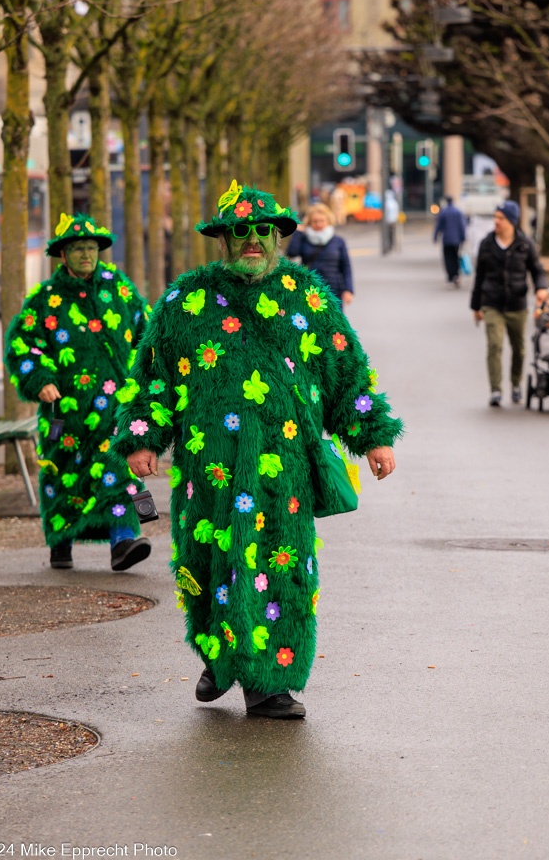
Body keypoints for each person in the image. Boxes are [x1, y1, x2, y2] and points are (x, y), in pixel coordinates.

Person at [112, 182, 402, 720]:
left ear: (277, 236)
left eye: (262, 230)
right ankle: (220, 658)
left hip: (282, 474)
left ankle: (271, 682)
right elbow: (149, 375)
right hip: (209, 473)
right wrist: (143, 438)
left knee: (282, 572)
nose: (252, 240)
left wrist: (374, 435)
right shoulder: (184, 300)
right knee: (209, 566)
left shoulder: (308, 296)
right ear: (223, 238)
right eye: (240, 231)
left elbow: (348, 372)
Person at [5, 213, 153, 571]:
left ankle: (123, 543)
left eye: (91, 247)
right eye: (77, 248)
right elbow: (22, 345)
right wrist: (40, 380)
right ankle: (61, 543)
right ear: (62, 255)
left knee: (117, 469)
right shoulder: (45, 298)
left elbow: (147, 332)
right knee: (64, 475)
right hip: (64, 411)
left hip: (115, 409)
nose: (86, 254)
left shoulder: (120, 289)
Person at [470, 201, 547, 407]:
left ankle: (515, 384)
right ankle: (495, 389)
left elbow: (537, 270)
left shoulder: (524, 244)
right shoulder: (486, 244)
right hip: (491, 303)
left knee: (519, 348)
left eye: (501, 218)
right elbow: (479, 277)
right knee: (494, 345)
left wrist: (541, 288)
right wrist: (475, 306)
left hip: (517, 304)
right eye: (495, 217)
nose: (496, 221)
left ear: (511, 221)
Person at [286, 202, 354, 307]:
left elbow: (346, 267)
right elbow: (292, 253)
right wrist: (298, 233)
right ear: (309, 222)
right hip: (309, 290)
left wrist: (348, 290)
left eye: (322, 221)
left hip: (333, 291)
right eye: (315, 221)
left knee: (334, 322)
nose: (319, 224)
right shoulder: (304, 239)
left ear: (328, 221)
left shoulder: (338, 241)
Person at [433, 196, 467, 287]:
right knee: (456, 257)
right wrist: (463, 238)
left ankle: (450, 276)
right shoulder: (458, 212)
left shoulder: (443, 212)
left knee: (448, 259)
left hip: (447, 240)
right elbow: (462, 226)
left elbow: (438, 225)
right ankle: (456, 274)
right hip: (456, 240)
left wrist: (435, 237)